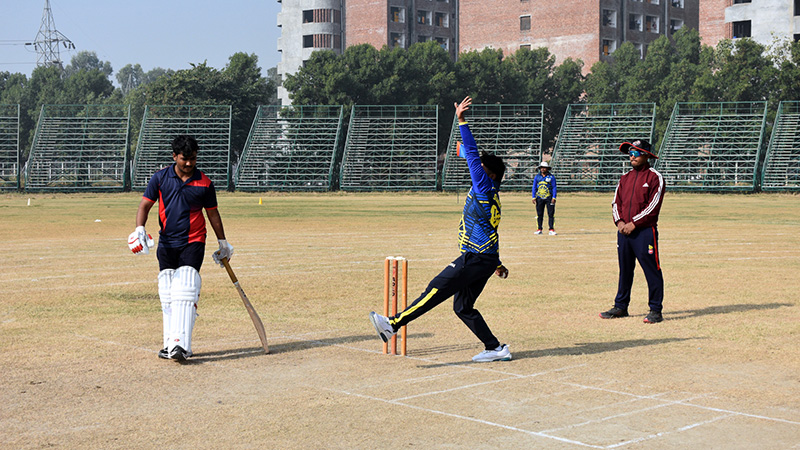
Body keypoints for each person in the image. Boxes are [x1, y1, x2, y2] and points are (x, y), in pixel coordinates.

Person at [369, 96, 511, 363]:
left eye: (480, 169)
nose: (475, 170)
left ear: (489, 175)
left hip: (476, 257)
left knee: (435, 289)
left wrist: (461, 120)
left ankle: (393, 323)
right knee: (462, 306)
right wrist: (497, 263)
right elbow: (488, 227)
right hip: (486, 257)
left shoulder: (483, 186)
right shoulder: (490, 191)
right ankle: (495, 347)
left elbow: (470, 152)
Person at [128, 135, 234, 360]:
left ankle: (181, 345)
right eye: (184, 159)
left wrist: (223, 242)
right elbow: (145, 205)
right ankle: (169, 344)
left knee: (185, 287)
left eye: (193, 159)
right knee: (167, 292)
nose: (189, 163)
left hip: (193, 241)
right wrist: (139, 229)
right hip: (166, 242)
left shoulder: (204, 183)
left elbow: (212, 213)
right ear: (174, 156)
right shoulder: (160, 178)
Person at [600, 139, 665, 324]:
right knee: (625, 269)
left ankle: (655, 309)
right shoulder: (624, 178)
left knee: (652, 270)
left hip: (644, 232)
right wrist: (619, 222)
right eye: (629, 153)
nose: (632, 156)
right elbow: (616, 203)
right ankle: (621, 306)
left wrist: (634, 223)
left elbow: (653, 206)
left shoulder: (654, 178)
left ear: (646, 155)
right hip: (623, 232)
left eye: (635, 153)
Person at [532, 161, 557, 235]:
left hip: (549, 197)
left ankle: (551, 229)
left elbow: (554, 187)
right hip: (539, 198)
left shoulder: (551, 177)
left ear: (547, 169)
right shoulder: (537, 177)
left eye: (544, 168)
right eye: (541, 168)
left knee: (551, 214)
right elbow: (534, 187)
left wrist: (554, 197)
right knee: (539, 214)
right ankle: (539, 229)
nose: (543, 169)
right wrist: (533, 197)